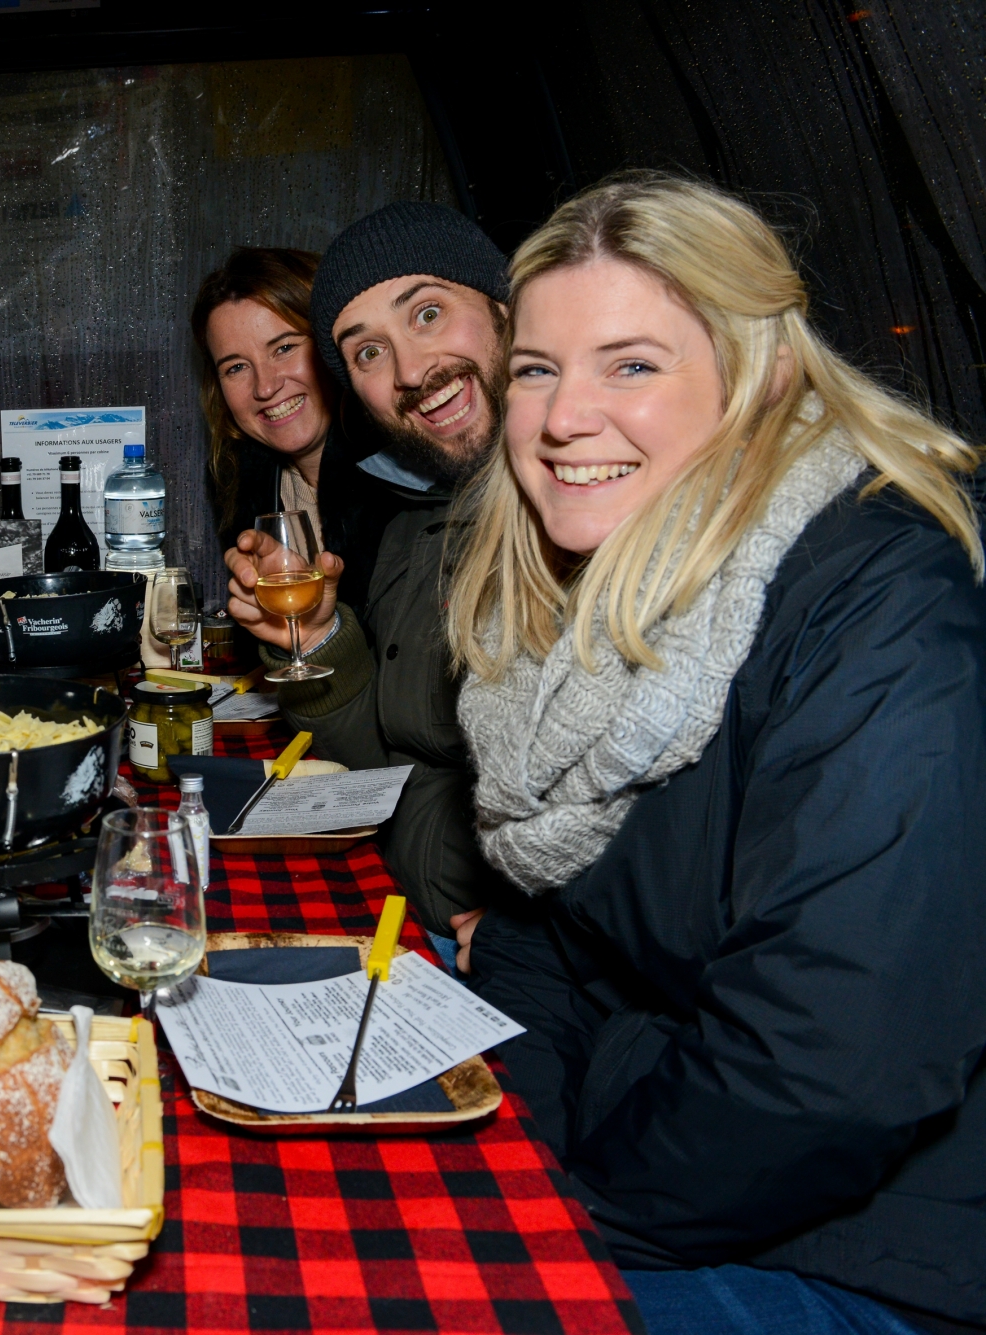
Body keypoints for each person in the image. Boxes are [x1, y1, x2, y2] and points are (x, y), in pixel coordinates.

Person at [450, 174, 985, 1332]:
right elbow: (549, 933)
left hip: (871, 1252)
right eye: (535, 369)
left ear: (762, 374)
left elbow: (828, 1071)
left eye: (631, 365)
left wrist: (565, 1221)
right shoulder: (587, 602)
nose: (559, 418)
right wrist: (520, 1174)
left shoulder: (882, 601)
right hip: (665, 1157)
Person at [222, 203, 515, 945]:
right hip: (413, 909)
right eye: (368, 352)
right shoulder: (418, 516)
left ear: (509, 309)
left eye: (427, 312)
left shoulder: (583, 509)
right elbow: (380, 762)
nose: (412, 370)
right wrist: (320, 640)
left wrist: (534, 935)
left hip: (488, 943)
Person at [192, 246, 399, 622]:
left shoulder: (408, 476)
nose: (266, 387)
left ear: (334, 345)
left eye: (284, 347)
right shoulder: (238, 483)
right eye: (236, 367)